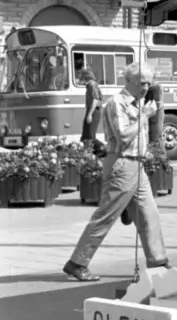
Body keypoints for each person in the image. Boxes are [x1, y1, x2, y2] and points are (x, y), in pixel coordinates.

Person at [63, 64, 169, 282]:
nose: (146, 87)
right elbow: (122, 135)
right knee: (105, 217)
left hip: (137, 165)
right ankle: (77, 262)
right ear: (128, 81)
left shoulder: (141, 102)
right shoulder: (116, 104)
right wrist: (144, 117)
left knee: (149, 214)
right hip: (122, 165)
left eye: (149, 83)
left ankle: (158, 261)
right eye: (142, 83)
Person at [79, 67, 103, 145]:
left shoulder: (92, 85)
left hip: (93, 111)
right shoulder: (90, 85)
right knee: (86, 136)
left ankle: (104, 150)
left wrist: (89, 114)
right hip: (91, 110)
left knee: (90, 136)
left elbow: (95, 99)